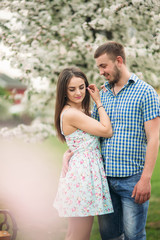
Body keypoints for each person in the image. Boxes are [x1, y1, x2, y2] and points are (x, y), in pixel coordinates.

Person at [62, 42, 160, 240]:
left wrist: (146, 179)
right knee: (109, 236)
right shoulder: (102, 93)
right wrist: (69, 153)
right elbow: (90, 132)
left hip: (133, 180)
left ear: (119, 61)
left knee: (134, 236)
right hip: (104, 180)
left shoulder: (146, 92)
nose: (100, 72)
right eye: (98, 67)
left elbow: (155, 137)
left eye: (103, 66)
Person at [53, 67, 113, 240]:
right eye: (72, 89)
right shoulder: (72, 113)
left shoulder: (78, 111)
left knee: (76, 232)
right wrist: (98, 102)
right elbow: (106, 130)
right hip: (83, 175)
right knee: (80, 233)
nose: (78, 92)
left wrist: (67, 153)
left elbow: (81, 140)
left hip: (83, 170)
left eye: (81, 87)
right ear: (64, 91)